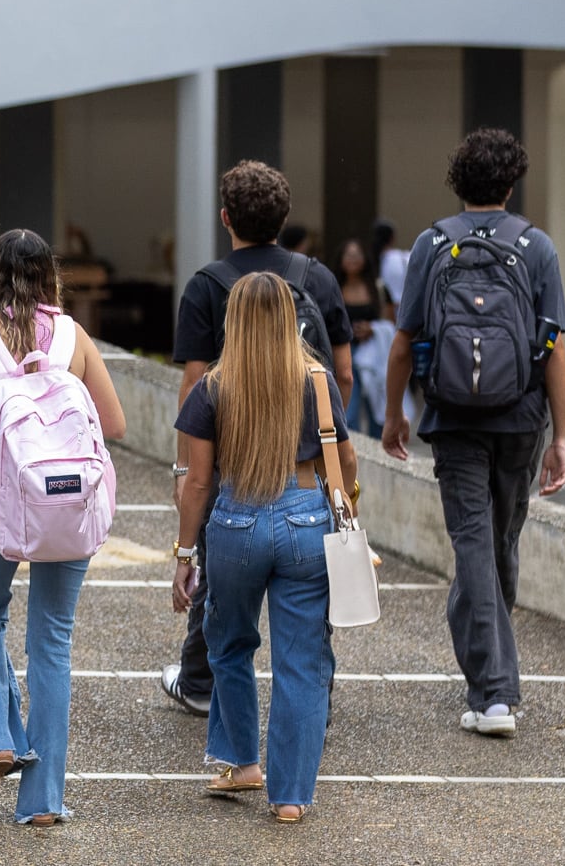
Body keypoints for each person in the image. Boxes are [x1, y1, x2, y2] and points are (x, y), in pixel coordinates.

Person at [0, 229, 125, 826]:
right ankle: (42, 803)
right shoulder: (74, 335)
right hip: (69, 500)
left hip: (2, 498)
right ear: (49, 276)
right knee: (52, 642)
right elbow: (113, 423)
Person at [382, 129, 565, 740]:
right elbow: (553, 348)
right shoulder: (536, 247)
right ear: (511, 184)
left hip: (454, 420)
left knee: (476, 545)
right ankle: (494, 688)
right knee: (495, 545)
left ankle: (492, 693)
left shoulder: (432, 244)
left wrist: (394, 413)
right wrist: (562, 438)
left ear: (457, 182)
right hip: (521, 419)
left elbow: (404, 343)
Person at [161, 160, 353, 717]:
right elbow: (341, 372)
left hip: (233, 465)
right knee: (309, 595)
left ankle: (201, 682)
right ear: (284, 219)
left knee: (220, 580)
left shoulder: (208, 285)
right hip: (305, 468)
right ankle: (315, 693)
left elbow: (195, 383)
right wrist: (323, 437)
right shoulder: (317, 279)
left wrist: (184, 470)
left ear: (225, 218)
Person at [170, 272, 351, 824]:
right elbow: (344, 460)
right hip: (306, 515)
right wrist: (347, 513)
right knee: (302, 660)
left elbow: (198, 482)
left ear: (235, 322)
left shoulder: (214, 387)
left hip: (237, 518)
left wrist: (184, 555)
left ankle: (241, 762)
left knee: (228, 643)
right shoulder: (317, 380)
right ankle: (290, 797)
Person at [337, 238, 390, 438]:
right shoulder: (334, 287)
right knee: (349, 410)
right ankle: (353, 450)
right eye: (348, 254)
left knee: (376, 407)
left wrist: (372, 329)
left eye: (357, 254)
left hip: (373, 352)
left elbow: (391, 321)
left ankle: (378, 448)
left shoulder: (377, 288)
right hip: (345, 351)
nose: (352, 259)